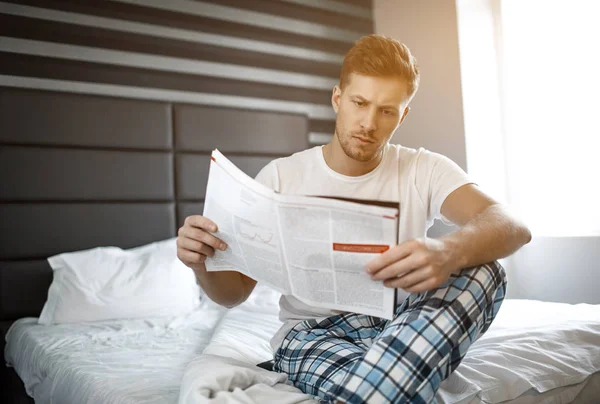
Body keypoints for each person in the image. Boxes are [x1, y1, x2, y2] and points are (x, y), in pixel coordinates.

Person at [176, 34, 531, 403]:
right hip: (313, 334)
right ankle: (389, 381)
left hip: (402, 322)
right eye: (359, 103)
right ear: (337, 98)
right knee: (386, 381)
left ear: (403, 115)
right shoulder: (280, 177)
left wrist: (449, 250)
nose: (369, 123)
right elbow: (233, 294)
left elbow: (512, 225)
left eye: (387, 111)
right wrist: (202, 265)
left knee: (486, 270)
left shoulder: (423, 167)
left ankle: (382, 381)